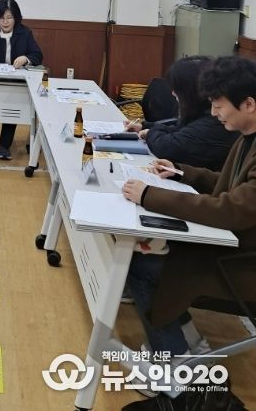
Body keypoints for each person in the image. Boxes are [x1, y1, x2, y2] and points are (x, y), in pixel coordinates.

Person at [121, 56, 256, 407]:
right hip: (232, 249)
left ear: (248, 104)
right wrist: (181, 172)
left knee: (145, 266)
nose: (213, 113)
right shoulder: (246, 137)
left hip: (242, 263)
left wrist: (150, 195)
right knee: (146, 254)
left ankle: (178, 367)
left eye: (219, 105)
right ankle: (187, 346)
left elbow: (231, 208)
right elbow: (228, 184)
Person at [125, 56, 238, 171]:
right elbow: (180, 130)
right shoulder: (203, 114)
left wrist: (150, 133)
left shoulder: (215, 121)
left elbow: (168, 148)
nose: (173, 93)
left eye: (178, 89)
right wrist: (145, 126)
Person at [0, 0, 43, 159]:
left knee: (11, 110)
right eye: (1, 18)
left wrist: (26, 58)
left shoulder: (25, 33)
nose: (5, 22)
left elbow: (37, 55)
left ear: (16, 18)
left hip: (15, 82)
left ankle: (5, 146)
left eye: (9, 17)